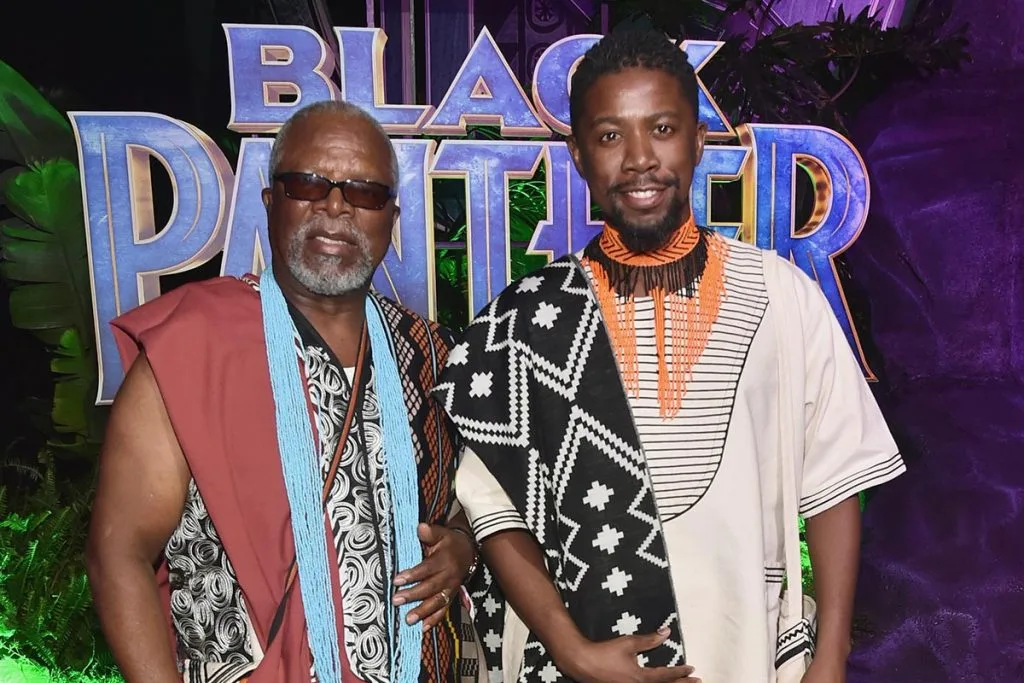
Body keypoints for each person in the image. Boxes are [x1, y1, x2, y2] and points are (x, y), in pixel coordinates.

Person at [433, 29, 905, 683]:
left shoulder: (781, 295)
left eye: (661, 128)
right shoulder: (525, 320)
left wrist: (830, 657)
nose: (638, 159)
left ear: (698, 139)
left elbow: (833, 487)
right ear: (578, 155)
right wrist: (572, 650)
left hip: (747, 654)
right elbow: (495, 512)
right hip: (583, 663)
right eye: (609, 135)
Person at [86, 100, 481, 683]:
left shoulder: (431, 354)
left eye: (365, 193)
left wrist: (463, 548)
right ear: (271, 202)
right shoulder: (195, 344)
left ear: (391, 218)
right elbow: (118, 552)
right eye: (308, 185)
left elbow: (467, 505)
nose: (336, 207)